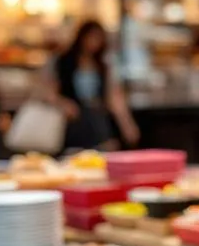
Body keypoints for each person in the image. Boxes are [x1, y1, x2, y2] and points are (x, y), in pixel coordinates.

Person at [44, 21, 139, 151]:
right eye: (91, 37)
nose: (94, 42)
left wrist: (127, 125)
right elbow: (49, 92)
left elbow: (114, 98)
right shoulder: (64, 62)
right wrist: (63, 104)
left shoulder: (103, 66)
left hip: (97, 121)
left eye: (98, 38)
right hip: (72, 121)